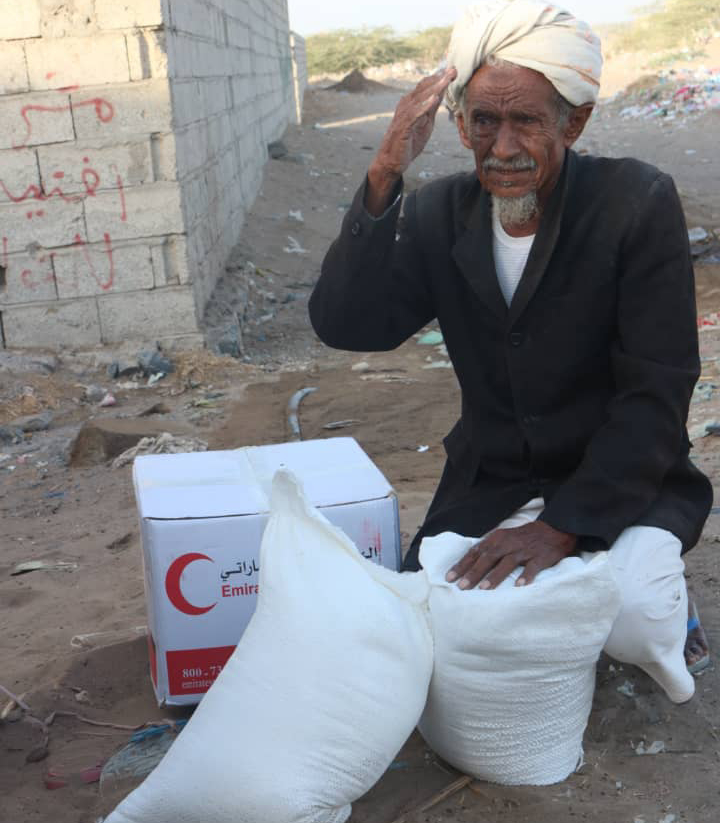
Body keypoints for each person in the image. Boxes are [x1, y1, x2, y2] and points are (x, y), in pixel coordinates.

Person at [308, 0, 713, 701]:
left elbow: (657, 392)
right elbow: (349, 324)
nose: (501, 149)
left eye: (525, 120)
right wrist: (382, 177)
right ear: (458, 123)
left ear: (573, 121)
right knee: (434, 620)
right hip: (494, 479)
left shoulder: (635, 203)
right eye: (483, 121)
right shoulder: (439, 213)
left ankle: (668, 596)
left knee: (635, 625)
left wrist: (561, 527)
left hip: (621, 477)